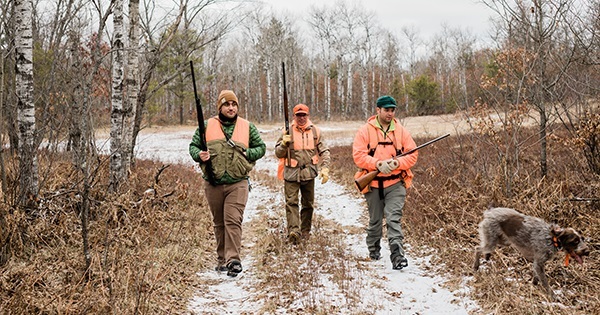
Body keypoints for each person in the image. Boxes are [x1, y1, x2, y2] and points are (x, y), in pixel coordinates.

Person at [189, 90, 266, 277]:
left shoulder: (247, 127)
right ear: (220, 107)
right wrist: (199, 155)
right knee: (219, 223)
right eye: (227, 105)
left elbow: (261, 148)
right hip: (213, 182)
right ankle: (222, 259)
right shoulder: (206, 126)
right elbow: (193, 146)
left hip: (237, 182)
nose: (231, 108)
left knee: (232, 220)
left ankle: (233, 260)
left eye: (234, 104)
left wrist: (249, 153)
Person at [352, 95, 418, 270]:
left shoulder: (401, 131)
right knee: (375, 221)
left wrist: (397, 163)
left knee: (393, 218)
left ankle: (397, 255)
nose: (390, 113)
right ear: (378, 110)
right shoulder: (364, 131)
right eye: (386, 110)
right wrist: (377, 164)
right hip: (372, 185)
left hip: (396, 184)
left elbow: (412, 154)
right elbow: (358, 156)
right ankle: (373, 248)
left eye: (392, 110)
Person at [275, 104, 331, 244]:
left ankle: (305, 231)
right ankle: (294, 232)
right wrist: (283, 144)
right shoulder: (286, 131)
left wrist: (325, 168)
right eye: (298, 115)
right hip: (291, 174)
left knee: (308, 205)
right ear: (294, 116)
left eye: (304, 115)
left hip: (309, 174)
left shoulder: (315, 132)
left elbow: (325, 150)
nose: (301, 118)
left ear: (308, 115)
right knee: (291, 203)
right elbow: (278, 153)